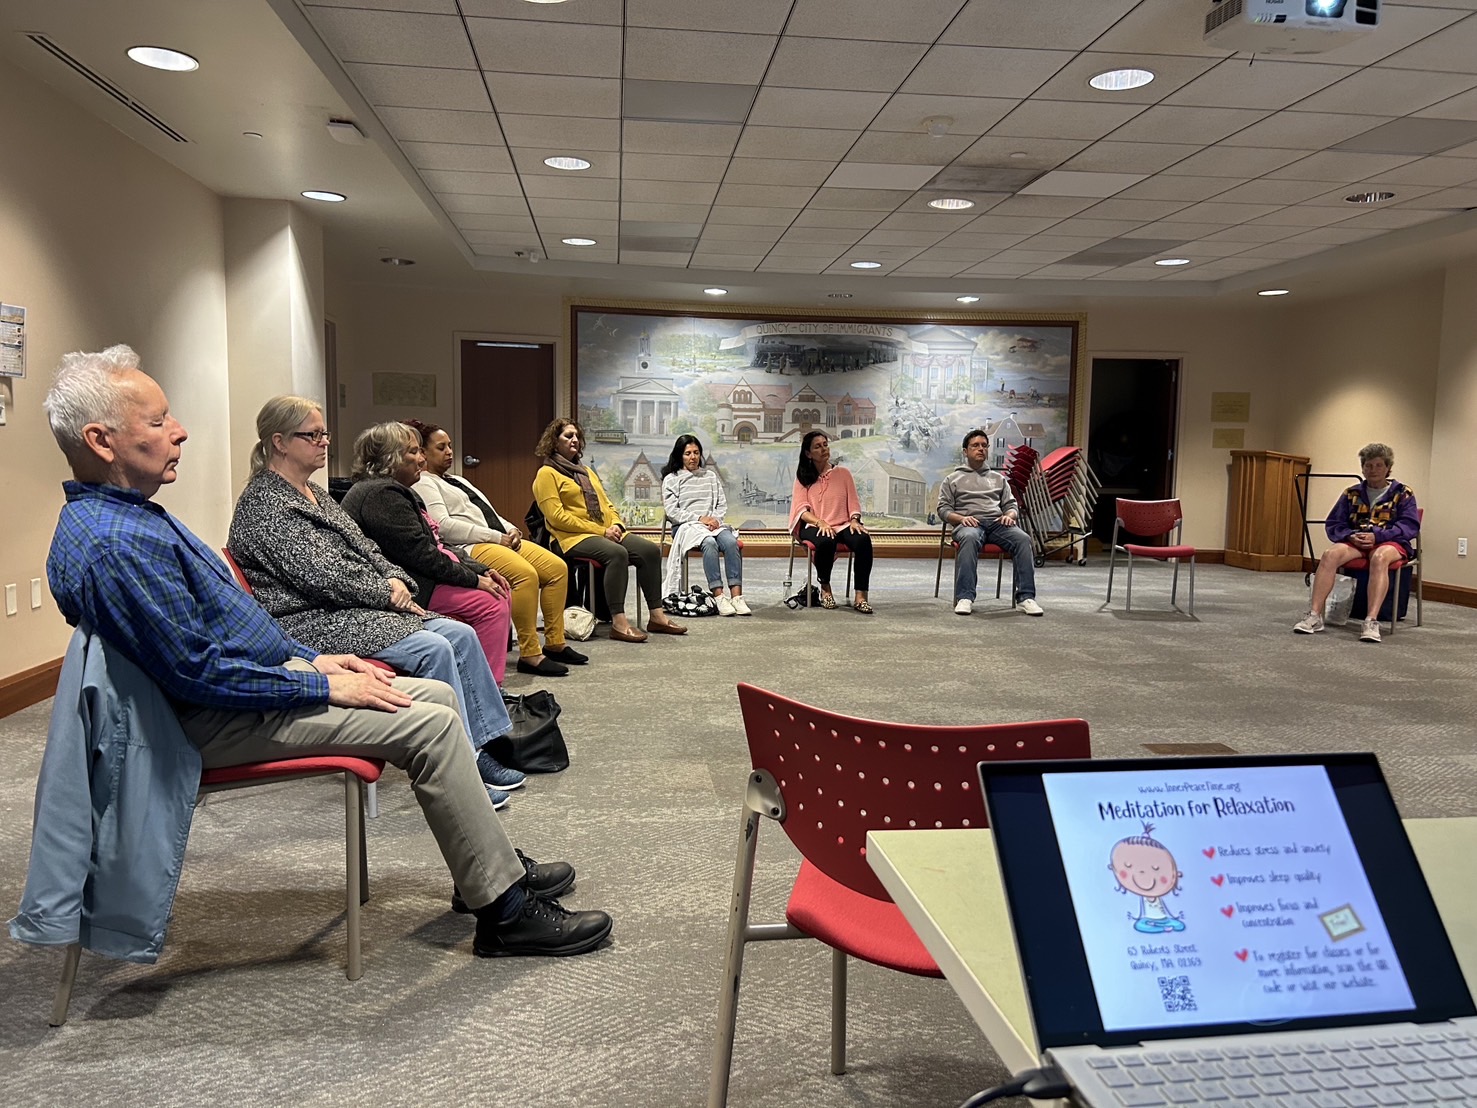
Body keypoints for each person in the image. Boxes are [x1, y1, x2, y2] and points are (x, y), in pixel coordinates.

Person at [41, 346, 611, 957]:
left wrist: (311, 660)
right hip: (205, 720)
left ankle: (487, 871)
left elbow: (227, 631)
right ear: (101, 441)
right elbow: (197, 675)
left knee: (440, 694)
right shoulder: (116, 544)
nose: (179, 430)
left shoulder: (129, 519)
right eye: (158, 421)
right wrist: (319, 683)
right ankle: (505, 911)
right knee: (428, 723)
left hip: (256, 680)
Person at [228, 396, 527, 807]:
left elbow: (366, 547)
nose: (324, 442)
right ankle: (459, 772)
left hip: (348, 607)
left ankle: (482, 745)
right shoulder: (266, 504)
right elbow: (322, 575)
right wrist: (388, 593)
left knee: (459, 632)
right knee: (435, 645)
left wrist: (395, 578)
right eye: (312, 435)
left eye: (324, 433)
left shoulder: (314, 491)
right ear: (279, 442)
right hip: (310, 620)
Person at [407, 419, 583, 677]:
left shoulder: (458, 480)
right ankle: (530, 653)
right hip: (471, 546)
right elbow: (444, 526)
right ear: (423, 452)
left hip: (495, 538)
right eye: (441, 447)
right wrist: (494, 537)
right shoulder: (424, 482)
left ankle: (555, 642)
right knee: (526, 576)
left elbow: (487, 512)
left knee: (557, 568)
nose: (449, 452)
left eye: (450, 446)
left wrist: (511, 529)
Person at [341, 423, 515, 681]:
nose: (422, 459)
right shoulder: (380, 495)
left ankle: (482, 683)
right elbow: (423, 556)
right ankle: (489, 689)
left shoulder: (397, 489)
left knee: (500, 587)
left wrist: (482, 569)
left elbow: (439, 544)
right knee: (491, 603)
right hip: (411, 585)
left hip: (424, 575)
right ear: (391, 458)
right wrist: (475, 580)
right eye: (413, 452)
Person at [531, 417, 686, 643]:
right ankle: (619, 623)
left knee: (650, 550)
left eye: (577, 436)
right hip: (570, 538)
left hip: (603, 532)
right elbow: (557, 518)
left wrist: (616, 525)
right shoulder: (546, 474)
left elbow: (607, 504)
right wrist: (600, 531)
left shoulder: (586, 472)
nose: (575, 440)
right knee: (617, 553)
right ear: (554, 442)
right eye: (568, 436)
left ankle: (657, 616)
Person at [1295, 442, 1419, 644]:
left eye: (1379, 465)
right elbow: (1334, 524)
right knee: (1329, 555)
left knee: (1379, 558)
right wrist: (1350, 535)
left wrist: (1377, 536)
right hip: (1356, 540)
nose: (1373, 470)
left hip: (1390, 543)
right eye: (1368, 465)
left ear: (1388, 468)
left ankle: (1371, 621)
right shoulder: (1351, 494)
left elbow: (1410, 526)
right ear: (1362, 468)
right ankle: (1315, 615)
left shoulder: (1403, 493)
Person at [936, 428, 1044, 617]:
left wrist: (1010, 515)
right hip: (969, 524)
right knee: (969, 539)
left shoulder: (999, 478)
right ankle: (965, 597)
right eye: (975, 446)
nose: (981, 449)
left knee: (1023, 539)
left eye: (984, 446)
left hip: (996, 523)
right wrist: (962, 519)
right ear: (965, 451)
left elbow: (1011, 505)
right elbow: (943, 509)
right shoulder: (952, 479)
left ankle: (1026, 597)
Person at [659, 434, 748, 615]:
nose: (693, 457)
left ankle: (737, 597)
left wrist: (714, 520)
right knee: (709, 543)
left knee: (731, 542)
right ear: (680, 456)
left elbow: (721, 504)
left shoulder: (710, 476)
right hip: (686, 526)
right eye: (688, 453)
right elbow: (672, 512)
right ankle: (718, 596)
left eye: (696, 452)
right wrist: (700, 519)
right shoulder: (671, 479)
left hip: (712, 525)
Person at [788, 430, 874, 614]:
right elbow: (801, 510)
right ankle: (825, 588)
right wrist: (820, 523)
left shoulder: (843, 473)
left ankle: (861, 597)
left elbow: (853, 503)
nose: (824, 449)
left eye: (825, 445)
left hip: (842, 524)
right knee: (826, 540)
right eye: (818, 447)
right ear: (808, 453)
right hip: (813, 525)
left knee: (863, 540)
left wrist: (854, 520)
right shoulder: (802, 477)